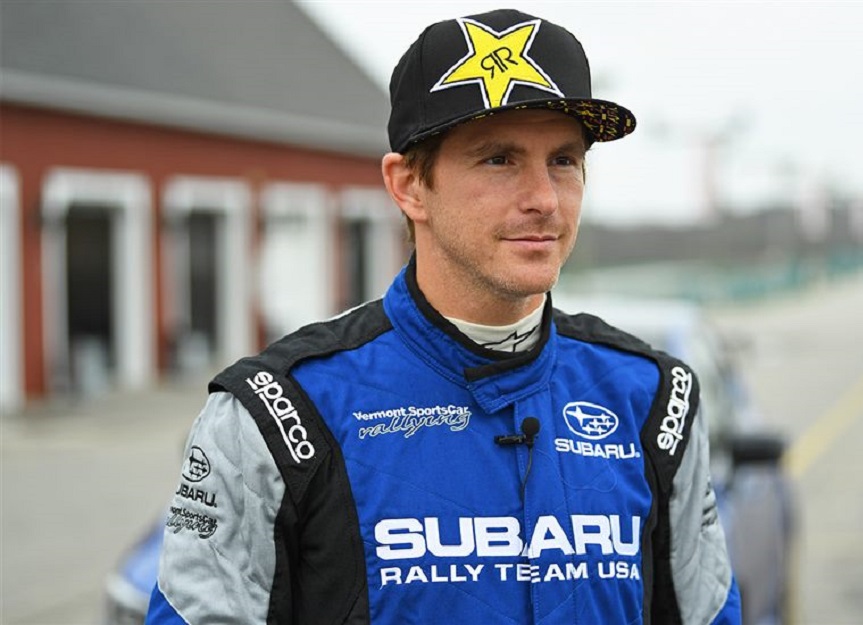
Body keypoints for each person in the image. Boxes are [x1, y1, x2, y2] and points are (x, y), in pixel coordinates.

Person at [146, 9, 741, 624]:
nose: (544, 199)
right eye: (499, 159)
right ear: (408, 186)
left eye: (563, 160)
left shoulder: (652, 400)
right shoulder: (278, 412)